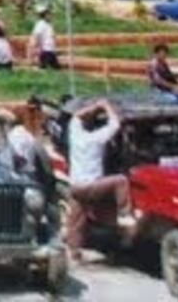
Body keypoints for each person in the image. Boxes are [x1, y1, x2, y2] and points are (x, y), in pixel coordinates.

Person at [65, 99, 132, 261]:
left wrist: (95, 107)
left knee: (76, 220)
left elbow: (76, 116)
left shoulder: (75, 135)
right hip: (92, 187)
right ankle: (124, 213)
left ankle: (74, 250)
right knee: (121, 180)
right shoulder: (97, 139)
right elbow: (115, 125)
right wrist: (106, 106)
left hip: (76, 187)